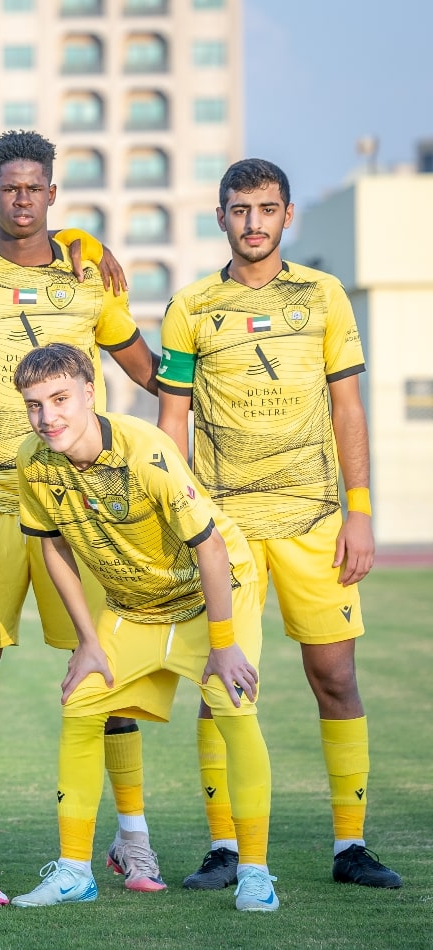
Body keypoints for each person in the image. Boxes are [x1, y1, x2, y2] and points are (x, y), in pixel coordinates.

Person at [0, 129, 166, 892]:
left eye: (34, 186)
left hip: (83, 507)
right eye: (8, 187)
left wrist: (194, 381)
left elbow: (147, 370)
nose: (22, 198)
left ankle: (131, 839)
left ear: (54, 193)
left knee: (104, 670)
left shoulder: (92, 277)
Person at [157, 158, 400, 890]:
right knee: (221, 684)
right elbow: (172, 421)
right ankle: (224, 848)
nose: (253, 221)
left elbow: (347, 410)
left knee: (335, 676)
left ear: (287, 215)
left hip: (316, 523)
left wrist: (360, 511)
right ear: (222, 216)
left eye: (266, 208)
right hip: (223, 529)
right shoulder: (192, 305)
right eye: (239, 209)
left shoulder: (324, 297)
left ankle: (349, 846)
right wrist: (179, 518)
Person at [9, 343, 278, 913]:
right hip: (135, 605)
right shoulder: (32, 460)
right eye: (34, 405)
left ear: (89, 393)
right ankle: (75, 871)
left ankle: (255, 871)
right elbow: (52, 546)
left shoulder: (146, 450)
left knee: (234, 705)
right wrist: (86, 640)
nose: (47, 417)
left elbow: (209, 547)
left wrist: (224, 646)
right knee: (81, 704)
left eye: (59, 399)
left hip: (213, 595)